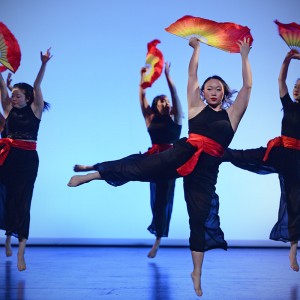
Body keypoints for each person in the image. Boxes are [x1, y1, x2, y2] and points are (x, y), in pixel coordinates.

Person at [68, 37, 252, 297]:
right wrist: (197, 49)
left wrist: (244, 56)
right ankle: (94, 174)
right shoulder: (196, 107)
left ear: (224, 93)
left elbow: (247, 86)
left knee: (197, 219)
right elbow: (192, 74)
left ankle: (197, 273)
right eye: (209, 88)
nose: (212, 91)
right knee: (141, 168)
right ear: (203, 92)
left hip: (207, 170)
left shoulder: (232, 115)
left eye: (218, 89)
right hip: (181, 153)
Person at [223, 49, 300, 272]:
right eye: (296, 87)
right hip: (280, 151)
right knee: (247, 155)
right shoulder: (288, 104)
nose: (296, 89)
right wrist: (287, 59)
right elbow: (281, 80)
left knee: (294, 202)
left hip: (296, 160)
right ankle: (217, 152)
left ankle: (293, 250)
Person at [0, 48, 52, 271]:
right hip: (8, 157)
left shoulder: (35, 109)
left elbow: (37, 85)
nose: (13, 97)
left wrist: (44, 63)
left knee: (23, 201)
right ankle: (8, 238)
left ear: (27, 97)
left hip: (27, 160)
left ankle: (21, 251)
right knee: (8, 197)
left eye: (17, 94)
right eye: (12, 94)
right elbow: (2, 86)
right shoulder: (9, 108)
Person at [139, 62, 183, 258]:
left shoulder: (176, 118)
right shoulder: (150, 119)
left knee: (164, 200)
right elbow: (142, 97)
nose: (166, 103)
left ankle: (157, 240)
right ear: (156, 105)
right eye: (162, 101)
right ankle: (97, 170)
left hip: (170, 161)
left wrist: (168, 76)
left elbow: (175, 95)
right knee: (155, 199)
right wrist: (143, 78)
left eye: (167, 101)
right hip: (153, 160)